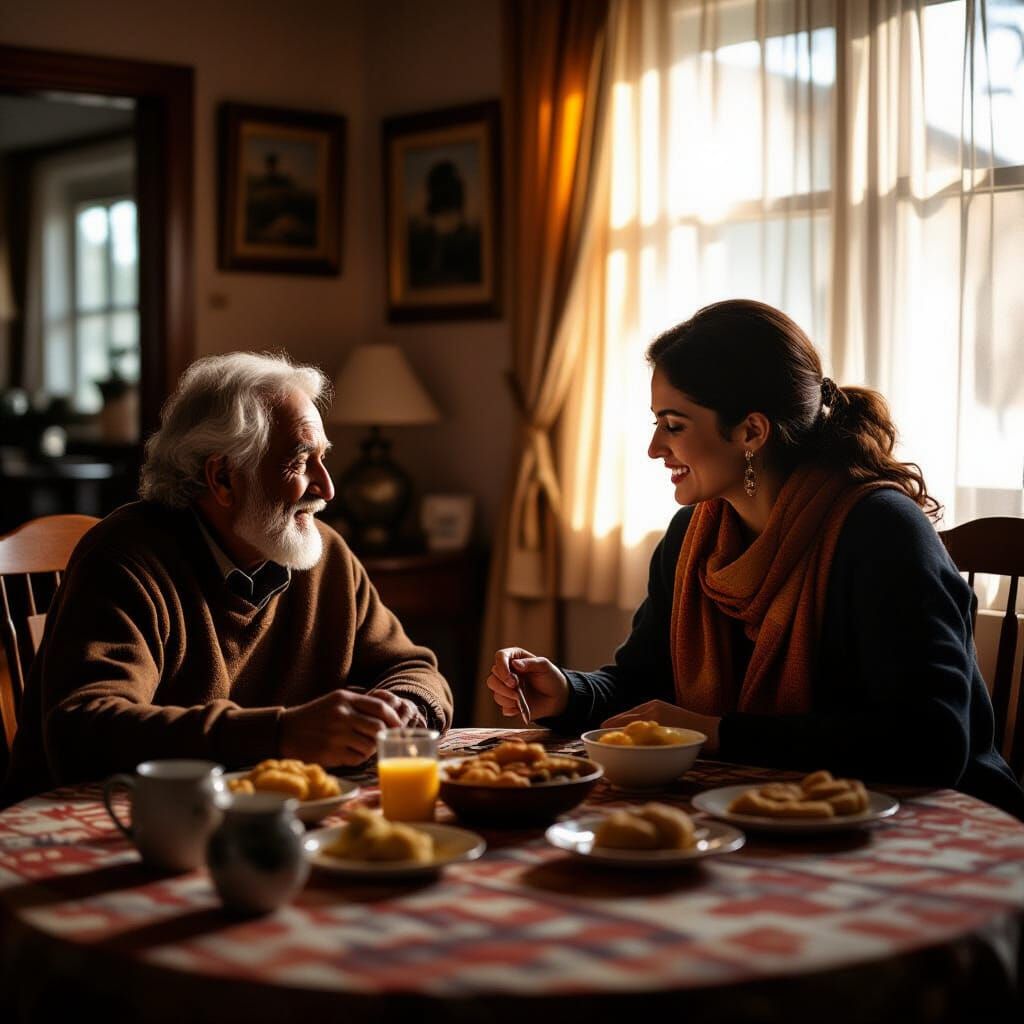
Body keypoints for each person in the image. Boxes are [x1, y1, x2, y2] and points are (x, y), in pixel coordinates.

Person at [487, 299, 1024, 819]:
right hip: (777, 811)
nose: (654, 447)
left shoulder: (880, 532)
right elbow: (643, 685)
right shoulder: (689, 537)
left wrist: (717, 731)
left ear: (751, 432)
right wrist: (567, 690)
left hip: (940, 822)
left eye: (673, 425)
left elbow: (930, 743)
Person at [4, 352, 452, 803]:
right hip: (106, 827)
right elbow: (84, 729)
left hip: (263, 820)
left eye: (323, 458)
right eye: (300, 461)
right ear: (222, 477)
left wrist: (406, 708)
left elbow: (413, 668)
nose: (327, 488)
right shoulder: (124, 558)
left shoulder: (325, 553)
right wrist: (280, 734)